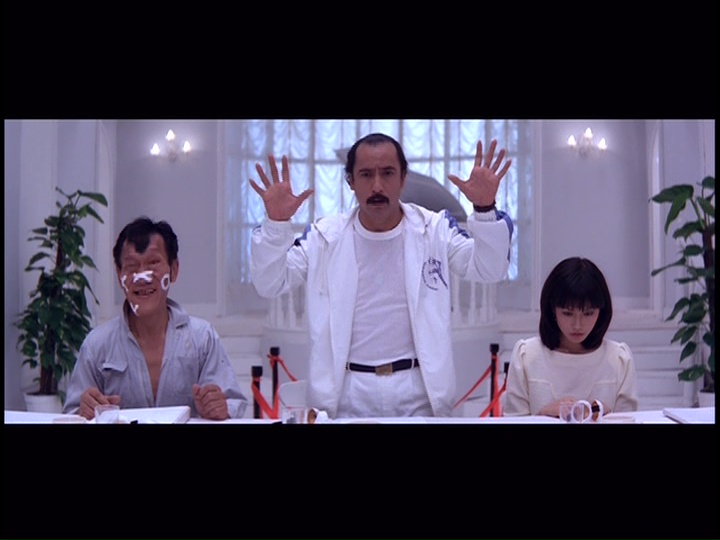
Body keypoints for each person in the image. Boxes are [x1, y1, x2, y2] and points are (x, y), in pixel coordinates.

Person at [249, 132, 514, 418]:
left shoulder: (434, 229)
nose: (377, 186)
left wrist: (484, 210)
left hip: (418, 394)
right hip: (345, 396)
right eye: (366, 175)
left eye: (387, 173)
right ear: (350, 181)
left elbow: (489, 269)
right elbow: (270, 283)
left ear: (403, 178)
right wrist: (275, 224)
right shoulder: (324, 237)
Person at [63, 217, 248, 420]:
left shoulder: (202, 339)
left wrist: (219, 408)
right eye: (132, 266)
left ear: (174, 270)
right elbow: (71, 415)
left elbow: (232, 405)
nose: (142, 277)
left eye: (153, 263)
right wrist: (83, 412)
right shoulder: (96, 345)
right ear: (119, 274)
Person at [503, 256, 638, 417]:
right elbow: (513, 419)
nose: (577, 325)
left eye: (588, 313)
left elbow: (629, 419)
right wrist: (544, 414)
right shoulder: (527, 356)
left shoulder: (618, 359)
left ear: (601, 311)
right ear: (552, 309)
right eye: (567, 313)